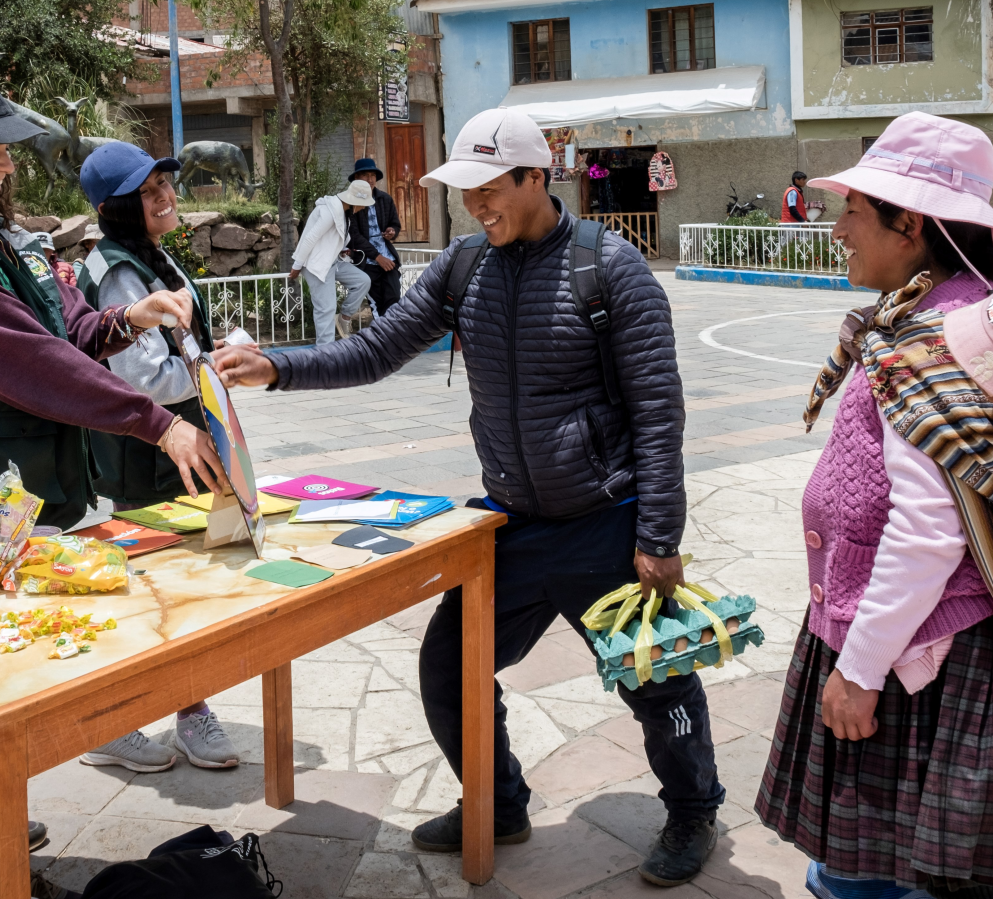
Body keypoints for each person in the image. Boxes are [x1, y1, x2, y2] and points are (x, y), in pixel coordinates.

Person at [213, 107, 723, 888]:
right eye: (465, 191)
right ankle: (498, 800)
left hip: (605, 524)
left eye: (491, 188)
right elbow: (377, 348)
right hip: (510, 524)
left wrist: (659, 534)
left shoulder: (609, 268)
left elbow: (659, 409)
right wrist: (277, 366)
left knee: (656, 679)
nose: (476, 205)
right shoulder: (462, 266)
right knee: (448, 666)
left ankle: (693, 808)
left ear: (535, 177)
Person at [0, 71, 226, 895]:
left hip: (11, 493)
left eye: (6, 155)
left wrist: (128, 319)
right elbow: (28, 363)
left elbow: (57, 329)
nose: (3, 169)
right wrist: (157, 420)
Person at [761, 111, 993, 899]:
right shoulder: (934, 315)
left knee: (898, 877)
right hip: (912, 642)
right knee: (888, 872)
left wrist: (858, 668)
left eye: (856, 207)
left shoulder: (944, 338)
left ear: (908, 222)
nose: (839, 223)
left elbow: (928, 534)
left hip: (928, 657)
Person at [76, 139, 242, 771]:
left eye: (166, 184)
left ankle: (171, 707)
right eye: (149, 192)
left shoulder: (145, 257)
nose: (167, 195)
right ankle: (121, 719)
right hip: (149, 446)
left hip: (174, 441)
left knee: (175, 577)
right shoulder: (118, 270)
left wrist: (205, 353)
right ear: (119, 207)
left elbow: (172, 347)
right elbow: (142, 378)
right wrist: (210, 372)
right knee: (160, 582)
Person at [290, 179, 373, 344]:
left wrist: (341, 250)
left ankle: (344, 318)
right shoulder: (329, 212)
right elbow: (309, 239)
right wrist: (297, 266)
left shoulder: (343, 212)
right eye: (364, 204)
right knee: (326, 310)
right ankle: (325, 355)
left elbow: (331, 240)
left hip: (333, 262)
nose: (364, 208)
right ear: (355, 201)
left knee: (363, 281)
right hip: (317, 265)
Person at [346, 158, 404, 315]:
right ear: (357, 179)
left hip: (388, 260)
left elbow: (395, 224)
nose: (370, 179)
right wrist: (377, 257)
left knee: (394, 300)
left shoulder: (385, 199)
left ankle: (390, 336)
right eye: (365, 175)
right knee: (377, 305)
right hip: (368, 262)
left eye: (373, 175)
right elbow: (354, 236)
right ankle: (383, 337)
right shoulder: (350, 203)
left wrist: (392, 232)